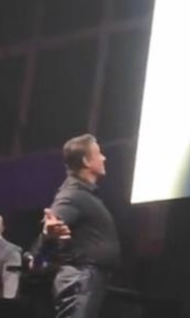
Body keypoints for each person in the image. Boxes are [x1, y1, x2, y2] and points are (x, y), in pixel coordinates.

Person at [40, 134, 120, 318]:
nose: (104, 158)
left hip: (86, 280)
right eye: (99, 153)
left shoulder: (85, 194)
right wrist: (48, 231)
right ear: (86, 161)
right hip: (79, 280)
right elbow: (53, 221)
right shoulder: (72, 193)